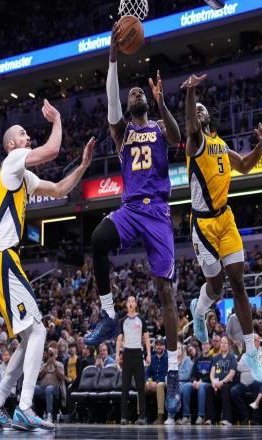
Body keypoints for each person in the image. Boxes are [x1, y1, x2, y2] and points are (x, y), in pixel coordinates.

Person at [85, 22, 182, 416]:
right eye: (133, 93)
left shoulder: (158, 125)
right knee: (98, 239)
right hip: (130, 209)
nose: (136, 92)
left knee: (166, 292)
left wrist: (162, 103)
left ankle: (172, 372)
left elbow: (177, 137)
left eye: (140, 91)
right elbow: (112, 102)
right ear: (128, 107)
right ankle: (109, 313)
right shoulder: (122, 132)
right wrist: (112, 57)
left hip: (157, 211)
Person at [0, 99, 96, 432]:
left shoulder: (22, 176)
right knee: (40, 330)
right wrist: (57, 119)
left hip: (2, 260)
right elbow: (52, 150)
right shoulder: (12, 161)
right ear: (11, 144)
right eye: (22, 133)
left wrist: (83, 166)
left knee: (29, 336)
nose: (27, 135)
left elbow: (59, 189)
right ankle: (25, 407)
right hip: (2, 257)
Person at [180, 73, 262, 384]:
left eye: (203, 109)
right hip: (203, 224)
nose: (199, 111)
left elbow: (243, 166)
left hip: (225, 219)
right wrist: (191, 92)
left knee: (239, 283)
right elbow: (190, 122)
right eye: (196, 109)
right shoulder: (195, 142)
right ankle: (199, 310)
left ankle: (252, 353)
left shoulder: (221, 145)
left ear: (210, 117)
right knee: (216, 287)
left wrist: (261, 145)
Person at [116, 296, 150, 426]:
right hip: (127, 354)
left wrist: (148, 354)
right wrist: (117, 354)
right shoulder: (122, 320)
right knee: (125, 387)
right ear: (126, 305)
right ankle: (123, 417)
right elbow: (119, 339)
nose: (131, 303)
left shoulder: (141, 319)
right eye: (129, 301)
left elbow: (146, 338)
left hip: (138, 353)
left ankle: (142, 416)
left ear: (136, 304)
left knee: (141, 387)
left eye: (133, 301)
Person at [230, 335, 262, 425]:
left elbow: (259, 368)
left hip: (254, 383)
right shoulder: (244, 355)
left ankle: (256, 418)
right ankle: (245, 415)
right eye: (252, 340)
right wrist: (252, 366)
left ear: (259, 343)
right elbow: (239, 367)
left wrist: (248, 366)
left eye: (255, 340)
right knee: (233, 391)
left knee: (257, 385)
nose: (253, 342)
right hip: (243, 383)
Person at [205, 336, 237, 425]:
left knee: (224, 388)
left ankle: (227, 419)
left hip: (228, 382)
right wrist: (213, 382)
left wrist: (222, 382)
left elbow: (232, 373)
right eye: (222, 342)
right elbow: (212, 373)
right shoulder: (216, 357)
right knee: (208, 389)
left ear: (229, 345)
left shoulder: (232, 357)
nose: (223, 344)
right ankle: (210, 419)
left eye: (225, 343)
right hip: (216, 383)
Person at [178, 341, 213, 425]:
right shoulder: (198, 359)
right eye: (203, 344)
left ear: (210, 346)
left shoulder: (213, 359)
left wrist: (201, 381)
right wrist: (194, 381)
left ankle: (201, 416)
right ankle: (186, 416)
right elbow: (193, 374)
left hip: (208, 382)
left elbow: (212, 375)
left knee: (201, 387)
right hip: (197, 382)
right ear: (201, 346)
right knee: (186, 386)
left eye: (206, 344)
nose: (205, 346)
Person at [34, 348, 65, 424]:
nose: (51, 356)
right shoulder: (44, 364)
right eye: (49, 354)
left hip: (55, 389)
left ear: (56, 355)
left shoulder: (60, 364)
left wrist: (55, 365)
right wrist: (47, 364)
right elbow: (40, 376)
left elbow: (61, 378)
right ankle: (31, 413)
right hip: (42, 388)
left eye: (52, 354)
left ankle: (49, 414)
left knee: (49, 388)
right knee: (33, 388)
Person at [145, 338, 169, 424]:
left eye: (161, 345)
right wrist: (147, 382)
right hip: (152, 383)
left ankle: (160, 416)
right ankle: (141, 415)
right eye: (157, 345)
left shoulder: (167, 358)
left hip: (163, 383)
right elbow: (147, 373)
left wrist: (157, 382)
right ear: (155, 346)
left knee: (159, 386)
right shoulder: (152, 358)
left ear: (164, 347)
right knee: (141, 385)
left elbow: (167, 374)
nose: (159, 347)